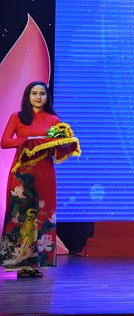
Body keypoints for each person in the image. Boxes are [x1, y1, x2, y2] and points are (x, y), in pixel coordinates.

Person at [1, 82, 61, 277]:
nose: (38, 97)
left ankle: (36, 264)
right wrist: (27, 140)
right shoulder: (17, 117)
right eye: (34, 93)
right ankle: (20, 264)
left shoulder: (53, 119)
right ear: (28, 96)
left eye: (42, 94)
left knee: (42, 215)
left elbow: (57, 146)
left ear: (47, 97)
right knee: (20, 216)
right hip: (22, 174)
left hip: (45, 173)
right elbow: (4, 142)